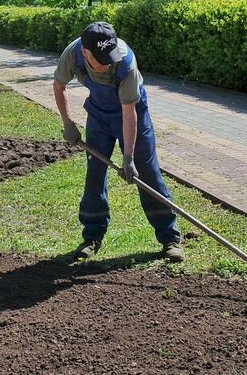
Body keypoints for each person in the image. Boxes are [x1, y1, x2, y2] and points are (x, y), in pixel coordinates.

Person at [53, 21, 184, 262]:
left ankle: (170, 238)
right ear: (85, 52)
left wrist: (128, 159)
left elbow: (128, 113)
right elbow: (59, 85)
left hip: (132, 112)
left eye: (109, 56)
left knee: (147, 172)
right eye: (101, 59)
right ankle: (92, 236)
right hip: (99, 115)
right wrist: (68, 123)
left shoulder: (125, 62)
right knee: (95, 172)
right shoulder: (73, 54)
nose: (108, 62)